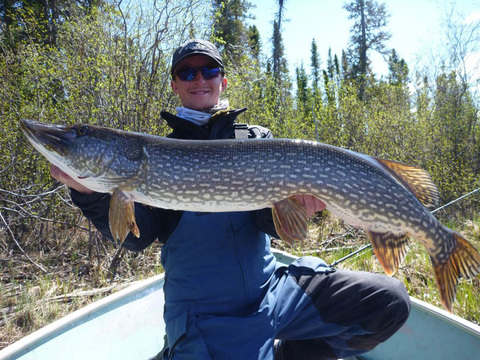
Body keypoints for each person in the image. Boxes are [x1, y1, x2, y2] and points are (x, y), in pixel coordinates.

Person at [51, 39, 410, 360]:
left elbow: (267, 222)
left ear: (222, 81)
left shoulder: (256, 139)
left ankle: (292, 354)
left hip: (272, 292)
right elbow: (137, 236)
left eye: (209, 70)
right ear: (175, 84)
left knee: (389, 301)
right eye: (187, 72)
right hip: (205, 313)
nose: (199, 79)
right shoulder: (154, 157)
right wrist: (89, 194)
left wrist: (299, 208)